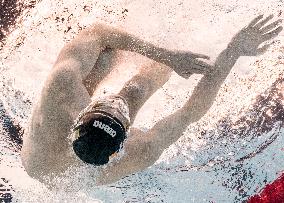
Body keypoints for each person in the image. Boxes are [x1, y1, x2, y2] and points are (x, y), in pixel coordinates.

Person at [21, 14, 282, 185]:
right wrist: (234, 50)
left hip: (47, 160)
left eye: (107, 107)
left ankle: (169, 50)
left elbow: (98, 32)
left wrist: (167, 55)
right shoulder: (140, 150)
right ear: (124, 142)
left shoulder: (62, 86)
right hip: (43, 163)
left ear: (83, 115)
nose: (115, 102)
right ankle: (177, 37)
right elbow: (192, 111)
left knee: (107, 55)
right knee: (135, 90)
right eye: (121, 115)